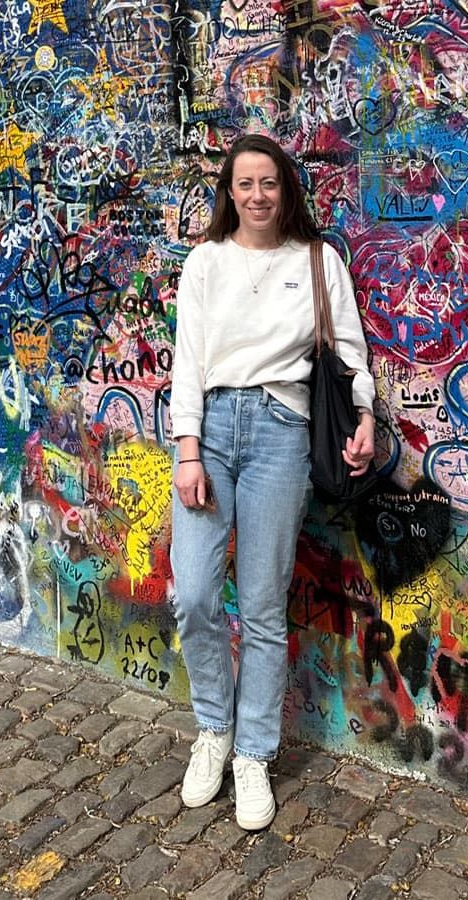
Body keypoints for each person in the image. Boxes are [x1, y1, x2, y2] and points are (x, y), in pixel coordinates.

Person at [168, 134, 375, 829]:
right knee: (194, 592)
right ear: (229, 192)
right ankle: (212, 730)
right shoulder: (205, 263)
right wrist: (188, 451)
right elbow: (188, 365)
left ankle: (252, 753)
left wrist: (368, 414)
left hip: (282, 435)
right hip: (214, 435)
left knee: (260, 606)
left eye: (270, 183)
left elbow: (350, 351)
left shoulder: (318, 262)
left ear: (287, 190)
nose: (258, 195)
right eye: (245, 184)